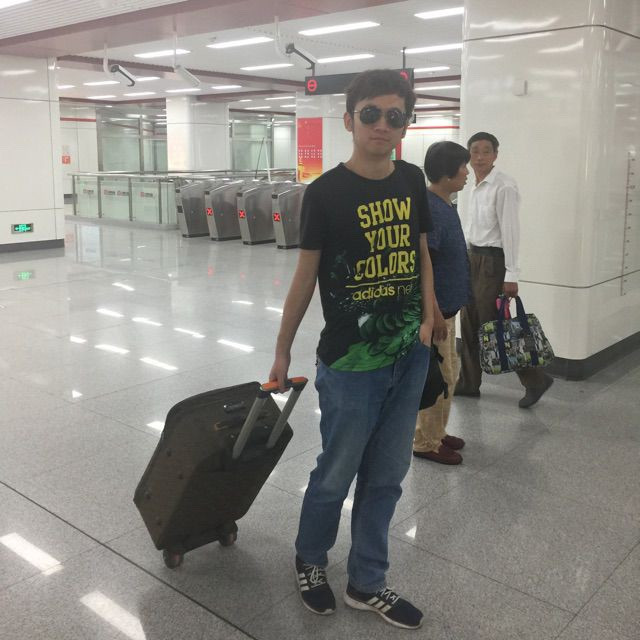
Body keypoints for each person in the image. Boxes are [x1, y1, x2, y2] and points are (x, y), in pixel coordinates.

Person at [269, 69, 435, 630]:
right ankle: (310, 560)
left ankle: (367, 581)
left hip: (408, 355)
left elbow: (421, 251)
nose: (382, 125)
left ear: (405, 124)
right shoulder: (324, 193)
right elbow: (305, 276)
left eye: (395, 116)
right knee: (337, 471)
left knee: (387, 476)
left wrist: (430, 315)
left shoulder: (411, 179)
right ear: (349, 120)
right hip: (350, 363)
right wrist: (282, 351)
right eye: (371, 114)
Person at [454, 132, 553, 408]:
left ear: (496, 155)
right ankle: (468, 382)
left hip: (493, 262)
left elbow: (511, 232)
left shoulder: (504, 186)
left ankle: (535, 379)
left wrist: (512, 274)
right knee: (468, 320)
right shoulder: (471, 185)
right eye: (475, 151)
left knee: (493, 324)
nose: (480, 157)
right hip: (472, 258)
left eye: (486, 151)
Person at [413, 141, 472, 465]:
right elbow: (425, 266)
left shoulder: (444, 203)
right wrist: (433, 313)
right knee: (440, 378)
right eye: (463, 166)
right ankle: (425, 442)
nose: (467, 172)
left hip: (449, 309)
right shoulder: (432, 209)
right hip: (438, 313)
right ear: (448, 172)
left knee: (450, 373)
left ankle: (436, 431)